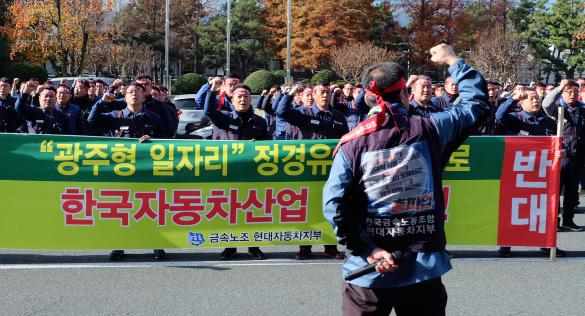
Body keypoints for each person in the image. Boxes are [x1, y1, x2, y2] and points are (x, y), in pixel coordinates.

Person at [323, 44, 489, 316]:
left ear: (369, 99)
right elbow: (476, 103)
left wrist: (367, 248)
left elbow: (334, 205)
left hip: (368, 273)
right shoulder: (431, 128)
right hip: (421, 267)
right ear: (405, 94)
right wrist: (453, 61)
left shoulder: (351, 144)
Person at [88, 82, 167, 261]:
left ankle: (156, 244)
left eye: (138, 92)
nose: (134, 95)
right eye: (130, 92)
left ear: (144, 96)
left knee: (149, 209)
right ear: (125, 96)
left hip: (147, 172)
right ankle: (119, 245)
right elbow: (92, 120)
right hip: (121, 173)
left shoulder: (154, 117)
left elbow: (165, 138)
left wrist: (153, 140)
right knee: (122, 211)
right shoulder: (115, 115)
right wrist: (101, 101)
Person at [277, 81, 348, 260]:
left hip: (331, 171)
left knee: (331, 207)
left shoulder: (338, 116)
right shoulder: (303, 113)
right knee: (306, 208)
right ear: (313, 95)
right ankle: (305, 247)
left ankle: (330, 247)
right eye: (321, 92)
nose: (325, 95)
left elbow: (346, 141)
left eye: (327, 92)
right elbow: (281, 111)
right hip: (307, 171)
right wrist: (291, 93)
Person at [495, 89, 567, 257]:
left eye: (537, 99)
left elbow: (560, 144)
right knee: (513, 209)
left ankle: (547, 244)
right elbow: (499, 116)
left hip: (544, 174)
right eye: (531, 99)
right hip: (518, 173)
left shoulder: (549, 122)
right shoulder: (515, 119)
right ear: (522, 103)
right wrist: (512, 98)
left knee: (546, 209)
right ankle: (506, 245)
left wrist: (563, 152)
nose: (536, 101)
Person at [204, 78, 268, 260]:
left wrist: (258, 146)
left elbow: (271, 146)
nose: (242, 100)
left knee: (252, 210)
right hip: (229, 173)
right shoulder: (225, 119)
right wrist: (213, 90)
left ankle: (254, 246)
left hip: (252, 173)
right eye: (239, 97)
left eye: (246, 97)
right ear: (232, 100)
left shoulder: (260, 122)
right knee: (229, 211)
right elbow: (209, 111)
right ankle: (230, 247)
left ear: (251, 100)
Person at [542, 79, 585, 232]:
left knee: (572, 191)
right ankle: (554, 221)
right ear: (563, 93)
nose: (572, 94)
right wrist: (559, 88)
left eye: (575, 91)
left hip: (578, 156)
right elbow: (546, 104)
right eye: (568, 91)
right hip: (560, 156)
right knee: (555, 191)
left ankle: (568, 220)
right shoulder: (557, 108)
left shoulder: (582, 109)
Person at [106, 75, 176, 138]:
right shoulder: (124, 101)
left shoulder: (159, 105)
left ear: (151, 86)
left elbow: (168, 130)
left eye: (146, 84)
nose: (143, 87)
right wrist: (113, 87)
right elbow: (106, 103)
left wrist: (154, 139)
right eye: (140, 85)